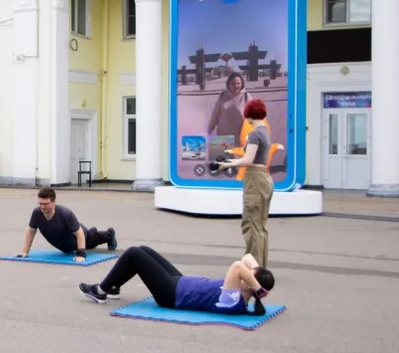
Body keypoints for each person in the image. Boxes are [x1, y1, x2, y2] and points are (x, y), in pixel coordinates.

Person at [79, 246, 274, 316]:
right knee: (144, 250)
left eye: (251, 274)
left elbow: (238, 265)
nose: (248, 270)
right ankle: (114, 286)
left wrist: (257, 287)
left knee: (133, 253)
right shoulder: (240, 291)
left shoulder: (233, 299)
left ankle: (101, 290)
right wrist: (258, 284)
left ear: (249, 283)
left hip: (172, 295)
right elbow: (247, 257)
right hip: (180, 282)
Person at [211, 99, 274, 267]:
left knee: (251, 224)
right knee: (260, 226)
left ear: (249, 114)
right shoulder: (265, 132)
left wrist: (227, 164)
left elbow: (248, 160)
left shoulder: (254, 134)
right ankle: (261, 266)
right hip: (264, 178)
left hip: (255, 179)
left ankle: (252, 268)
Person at [16, 187, 117, 263]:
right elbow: (31, 231)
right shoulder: (36, 213)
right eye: (40, 203)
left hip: (79, 235)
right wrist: (25, 252)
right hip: (66, 245)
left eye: (46, 204)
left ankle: (109, 234)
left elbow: (79, 233)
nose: (42, 207)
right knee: (89, 243)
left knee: (93, 241)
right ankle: (94, 232)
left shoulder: (65, 213)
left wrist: (81, 255)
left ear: (54, 201)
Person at [207, 72, 251, 146]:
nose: (236, 86)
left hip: (240, 138)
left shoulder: (247, 96)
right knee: (221, 157)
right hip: (222, 136)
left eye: (238, 83)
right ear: (228, 84)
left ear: (242, 84)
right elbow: (216, 114)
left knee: (238, 157)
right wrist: (210, 129)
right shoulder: (223, 96)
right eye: (233, 84)